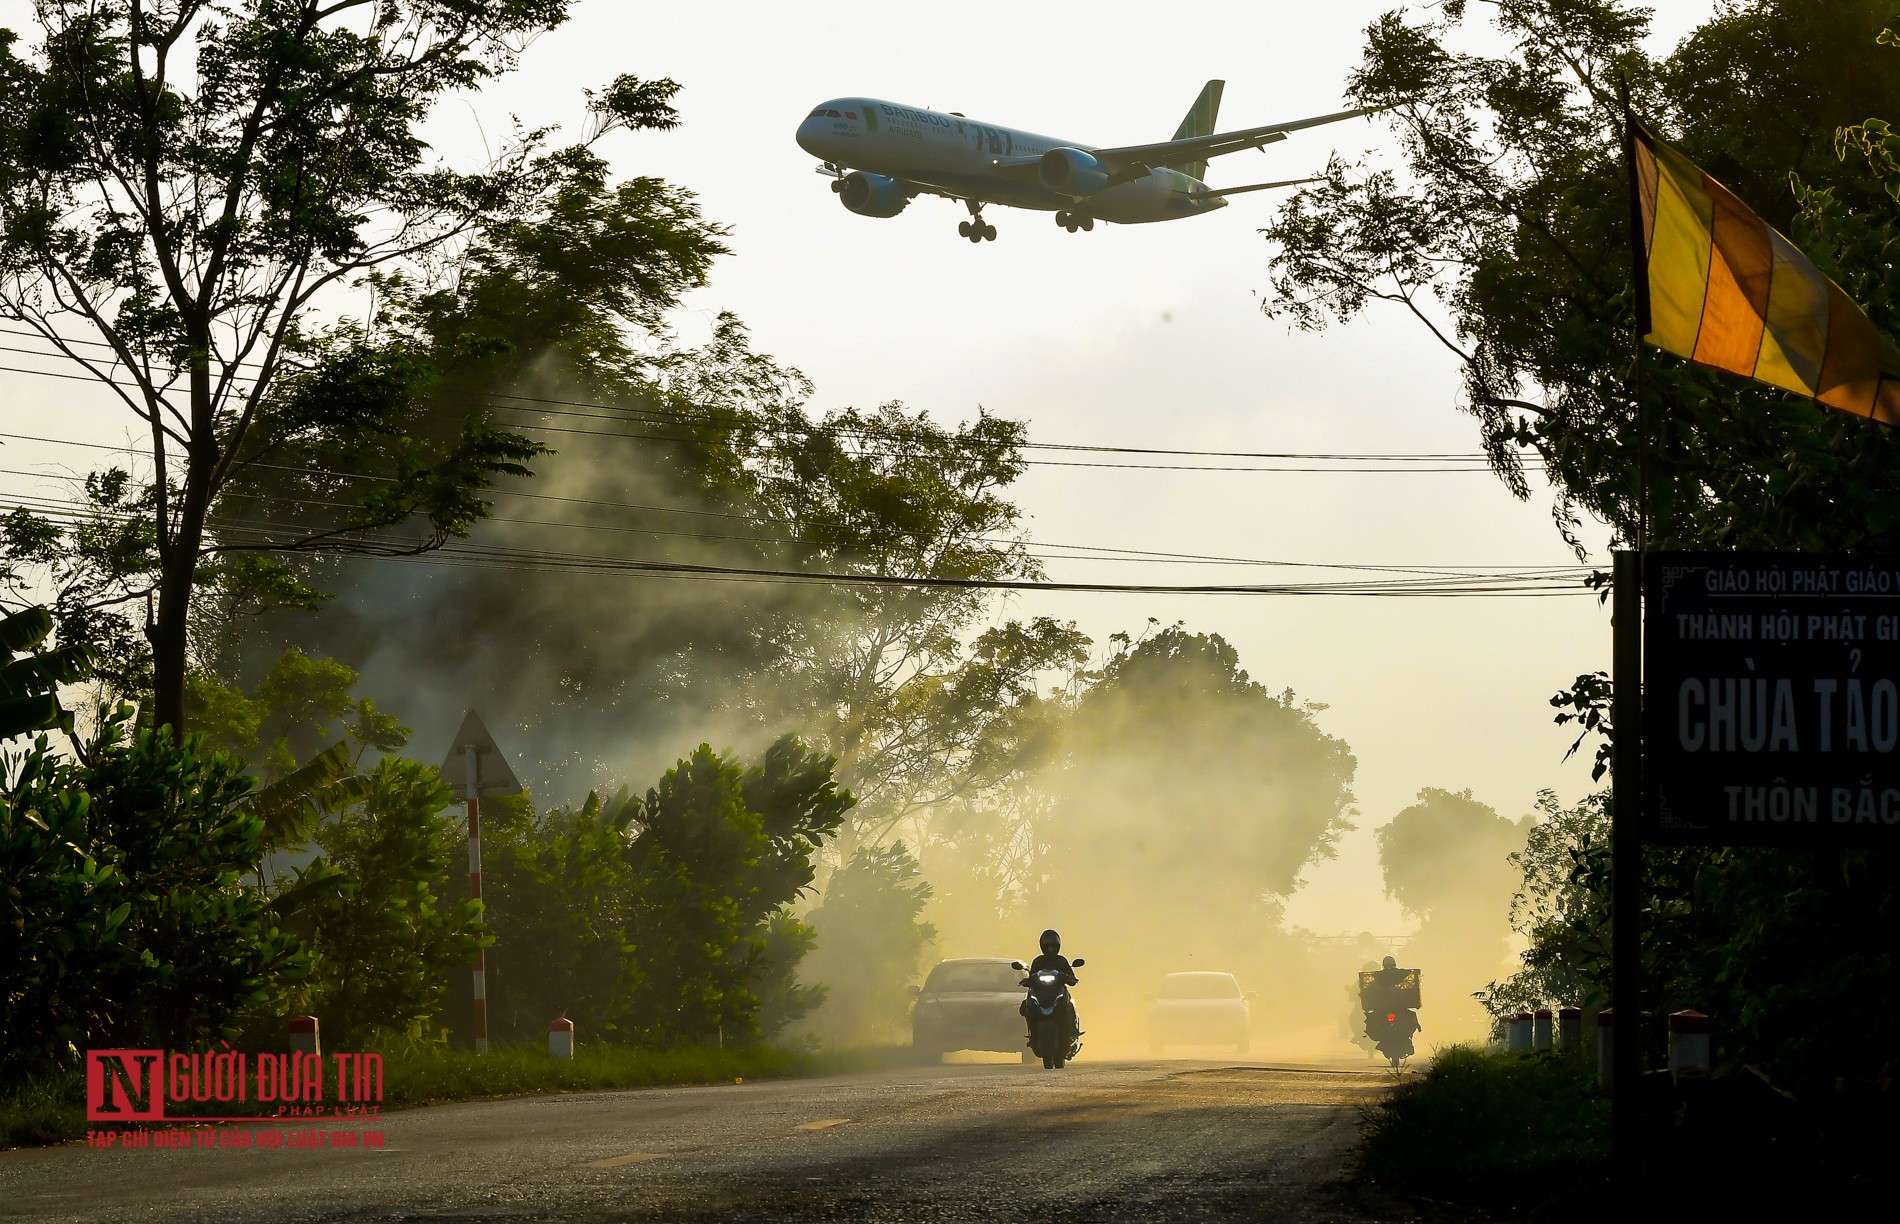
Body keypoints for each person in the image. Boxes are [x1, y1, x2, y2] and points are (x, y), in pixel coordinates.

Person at [1021, 929, 1080, 1043]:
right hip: (1040, 992)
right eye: (1047, 946)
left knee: (1070, 1004)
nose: (1050, 949)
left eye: (1053, 946)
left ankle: (1072, 1030)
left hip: (1058, 991)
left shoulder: (1061, 960)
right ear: (1042, 946)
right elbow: (1032, 976)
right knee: (1027, 1004)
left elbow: (1072, 977)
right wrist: (1027, 980)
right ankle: (1033, 1034)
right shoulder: (1038, 961)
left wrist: (1070, 978)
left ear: (1058, 946)